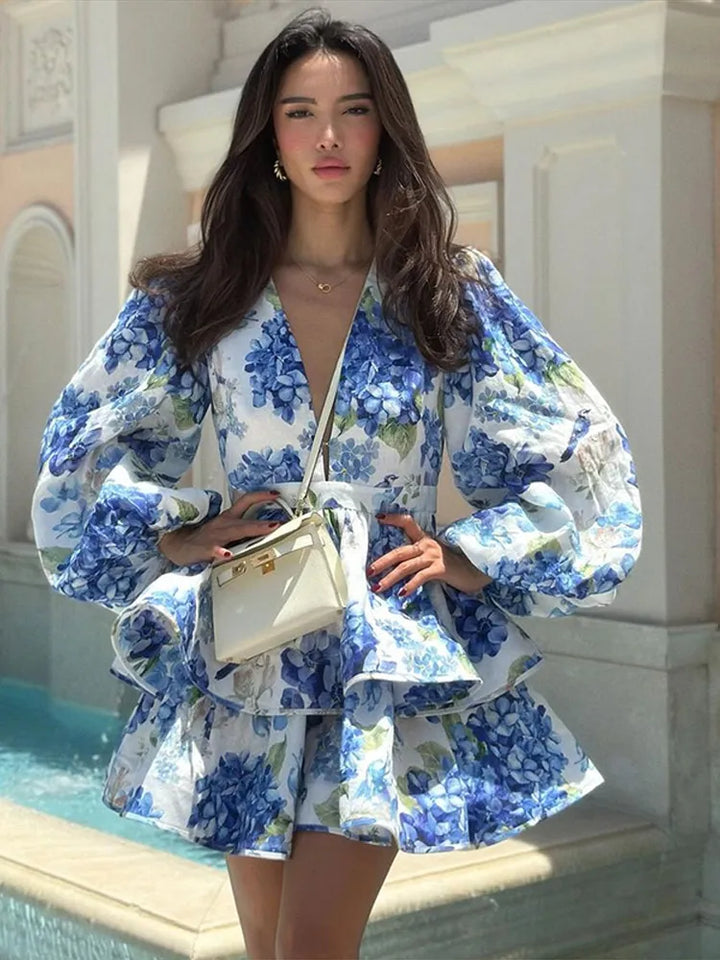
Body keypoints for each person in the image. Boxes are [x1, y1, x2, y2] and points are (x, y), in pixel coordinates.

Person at [31, 7, 643, 959]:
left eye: (353, 110)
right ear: (269, 136)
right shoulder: (202, 295)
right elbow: (80, 444)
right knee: (273, 946)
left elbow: (583, 449)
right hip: (250, 644)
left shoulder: (448, 290)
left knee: (313, 945)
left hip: (380, 641)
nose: (327, 136)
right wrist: (177, 530)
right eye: (300, 112)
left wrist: (472, 553)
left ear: (384, 128)